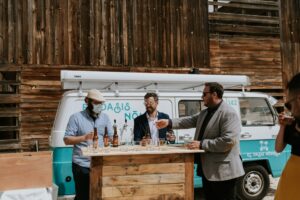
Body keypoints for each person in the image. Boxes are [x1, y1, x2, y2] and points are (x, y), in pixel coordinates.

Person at [156, 82, 245, 200]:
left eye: (204, 93)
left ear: (214, 94)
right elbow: (189, 120)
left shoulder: (229, 113)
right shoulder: (205, 112)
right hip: (209, 170)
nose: (202, 97)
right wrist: (169, 122)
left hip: (224, 173)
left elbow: (228, 141)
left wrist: (202, 144)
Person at [63, 89, 113, 200]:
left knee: (99, 195)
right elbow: (66, 140)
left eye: (101, 104)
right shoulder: (76, 117)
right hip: (82, 164)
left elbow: (111, 137)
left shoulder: (105, 118)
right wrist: (84, 137)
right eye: (96, 103)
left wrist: (112, 139)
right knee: (83, 196)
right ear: (87, 101)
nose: (98, 106)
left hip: (100, 164)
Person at [275, 73, 300, 200]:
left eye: (289, 104)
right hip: (291, 176)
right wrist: (283, 126)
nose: (289, 109)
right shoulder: (294, 122)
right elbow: (278, 148)